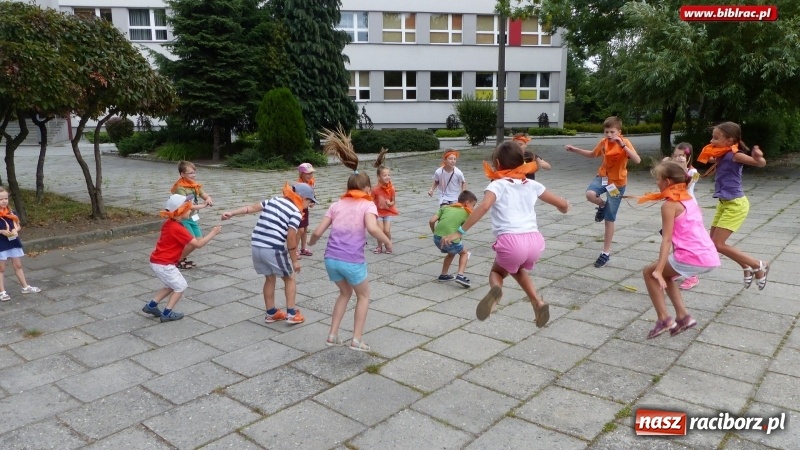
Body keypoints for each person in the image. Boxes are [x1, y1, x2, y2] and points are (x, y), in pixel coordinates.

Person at [441, 141, 571, 327]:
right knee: (517, 268)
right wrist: (565, 207)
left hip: (511, 242)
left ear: (498, 165)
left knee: (497, 272)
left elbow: (484, 206)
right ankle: (537, 302)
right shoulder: (532, 184)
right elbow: (562, 204)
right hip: (534, 241)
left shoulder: (497, 185)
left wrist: (459, 232)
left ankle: (496, 292)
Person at [309, 127, 393, 352]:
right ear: (366, 189)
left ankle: (332, 334)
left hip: (331, 260)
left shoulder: (336, 204)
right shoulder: (368, 204)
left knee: (344, 293)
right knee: (364, 295)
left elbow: (317, 232)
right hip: (352, 261)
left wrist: (310, 244)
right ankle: (356, 339)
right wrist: (387, 241)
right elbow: (373, 229)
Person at [638, 162, 720, 338]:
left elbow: (666, 239)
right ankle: (683, 317)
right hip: (708, 256)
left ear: (667, 181)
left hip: (692, 256)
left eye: (658, 179)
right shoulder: (688, 198)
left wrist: (659, 270)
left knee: (649, 273)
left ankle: (664, 319)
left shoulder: (669, 205)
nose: (656, 183)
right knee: (667, 276)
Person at [221, 182, 318, 325]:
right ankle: (291, 314)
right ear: (303, 198)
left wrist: (232, 213)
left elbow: (251, 208)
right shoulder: (295, 212)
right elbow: (291, 238)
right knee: (289, 278)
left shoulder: (274, 200)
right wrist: (295, 261)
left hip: (256, 245)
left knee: (270, 278)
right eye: (310, 201)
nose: (309, 205)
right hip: (273, 248)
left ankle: (271, 313)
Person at [697, 121, 770, 290]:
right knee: (713, 243)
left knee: (718, 245)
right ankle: (746, 266)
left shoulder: (736, 155)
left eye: (716, 137)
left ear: (730, 140)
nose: (712, 140)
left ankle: (759, 265)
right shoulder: (722, 154)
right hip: (724, 203)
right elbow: (710, 160)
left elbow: (759, 163)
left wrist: (758, 157)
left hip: (736, 205)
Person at [565, 116, 641, 268]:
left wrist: (623, 146)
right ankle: (601, 205)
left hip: (617, 184)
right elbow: (593, 154)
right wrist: (576, 150)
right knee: (590, 194)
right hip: (603, 178)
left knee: (609, 218)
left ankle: (605, 253)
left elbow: (637, 160)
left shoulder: (625, 143)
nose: (609, 135)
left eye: (612, 132)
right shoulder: (604, 143)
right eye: (606, 132)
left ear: (619, 132)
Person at [142, 194, 221, 322]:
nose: (191, 211)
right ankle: (167, 313)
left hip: (158, 261)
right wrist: (213, 232)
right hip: (165, 264)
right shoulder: (178, 228)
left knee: (170, 285)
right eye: (188, 208)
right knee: (180, 286)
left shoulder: (169, 223)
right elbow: (198, 244)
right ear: (181, 211)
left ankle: (151, 306)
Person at [662, 142, 701, 290]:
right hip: (675, 209)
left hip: (687, 210)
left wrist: (682, 168)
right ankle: (679, 269)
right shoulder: (670, 170)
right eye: (676, 155)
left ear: (689, 157)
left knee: (687, 243)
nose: (678, 158)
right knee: (674, 240)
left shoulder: (693, 172)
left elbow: (686, 186)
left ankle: (693, 275)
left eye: (682, 156)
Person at [429, 190, 478, 288]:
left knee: (451, 253)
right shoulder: (466, 213)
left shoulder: (445, 208)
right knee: (464, 253)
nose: (473, 208)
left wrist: (434, 232)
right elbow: (464, 227)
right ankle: (460, 275)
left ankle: (444, 275)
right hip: (450, 240)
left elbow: (431, 221)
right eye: (473, 205)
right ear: (467, 203)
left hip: (437, 238)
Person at [0, 187, 41, 302]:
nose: (4, 201)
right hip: (1, 244)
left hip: (12, 242)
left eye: (5, 198)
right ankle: (2, 292)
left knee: (18, 265)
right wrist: (1, 231)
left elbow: (18, 225)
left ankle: (25, 287)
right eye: (1, 199)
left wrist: (15, 230)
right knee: (1, 268)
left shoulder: (12, 212)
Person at [171, 161, 214, 269]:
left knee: (198, 241)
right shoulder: (180, 188)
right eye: (190, 173)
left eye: (194, 173)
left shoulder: (194, 185)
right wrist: (202, 206)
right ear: (182, 174)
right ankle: (177, 260)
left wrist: (208, 199)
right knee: (192, 242)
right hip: (183, 218)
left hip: (193, 218)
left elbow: (204, 195)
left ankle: (180, 259)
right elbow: (186, 206)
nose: (193, 175)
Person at [372, 149, 398, 254]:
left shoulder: (392, 188)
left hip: (387, 212)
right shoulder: (375, 189)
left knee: (386, 230)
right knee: (380, 231)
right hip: (378, 212)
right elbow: (372, 201)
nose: (387, 177)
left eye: (388, 175)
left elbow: (393, 202)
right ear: (379, 177)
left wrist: (389, 203)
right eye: (385, 175)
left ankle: (388, 244)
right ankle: (379, 246)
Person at [296, 163, 316, 257]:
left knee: (305, 229)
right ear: (301, 174)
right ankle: (294, 249)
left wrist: (312, 202)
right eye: (308, 173)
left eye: (311, 173)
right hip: (298, 209)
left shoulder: (311, 183)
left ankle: (303, 248)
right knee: (300, 230)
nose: (310, 175)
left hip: (305, 209)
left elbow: (312, 195)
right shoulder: (298, 185)